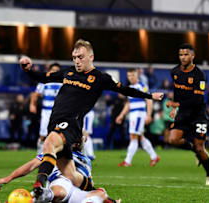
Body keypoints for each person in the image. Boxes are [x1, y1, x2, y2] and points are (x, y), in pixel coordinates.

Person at [19, 39, 164, 198]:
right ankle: (101, 195)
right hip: (55, 122)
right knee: (71, 175)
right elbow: (44, 77)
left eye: (80, 57)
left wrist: (150, 96)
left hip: (72, 124)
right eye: (74, 57)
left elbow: (124, 89)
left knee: (49, 143)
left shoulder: (100, 78)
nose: (77, 61)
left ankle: (39, 183)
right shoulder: (68, 72)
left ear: (91, 57)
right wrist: (28, 69)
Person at [167, 43, 209, 186]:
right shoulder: (174, 72)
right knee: (173, 139)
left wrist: (177, 105)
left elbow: (198, 99)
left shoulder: (199, 75)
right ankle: (194, 149)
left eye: (186, 54)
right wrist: (176, 107)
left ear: (192, 56)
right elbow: (177, 91)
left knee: (201, 148)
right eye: (181, 55)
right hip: (183, 113)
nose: (183, 57)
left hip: (198, 114)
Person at [0, 149, 120, 203]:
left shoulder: (85, 160)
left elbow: (87, 185)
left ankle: (38, 196)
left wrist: (107, 199)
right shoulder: (55, 150)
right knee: (60, 189)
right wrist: (8, 178)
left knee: (101, 193)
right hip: (59, 183)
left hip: (74, 193)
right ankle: (36, 196)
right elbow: (31, 165)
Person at [116, 68, 160, 167]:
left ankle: (127, 161)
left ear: (137, 76)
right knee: (140, 137)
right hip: (133, 114)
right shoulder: (130, 87)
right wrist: (121, 115)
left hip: (139, 114)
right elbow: (128, 103)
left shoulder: (142, 86)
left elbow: (149, 100)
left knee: (133, 137)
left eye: (133, 75)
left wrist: (149, 114)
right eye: (129, 76)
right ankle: (154, 157)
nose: (131, 78)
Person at [30, 63, 62, 154]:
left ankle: (57, 156)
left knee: (59, 135)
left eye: (57, 70)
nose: (55, 72)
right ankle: (40, 154)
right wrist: (32, 105)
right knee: (43, 134)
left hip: (59, 113)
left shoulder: (64, 82)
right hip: (47, 111)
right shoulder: (44, 81)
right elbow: (36, 94)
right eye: (54, 70)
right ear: (50, 71)